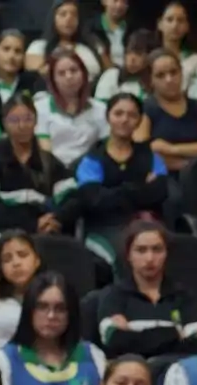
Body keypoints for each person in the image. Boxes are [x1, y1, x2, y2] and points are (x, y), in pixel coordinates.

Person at [59, 92, 167, 263]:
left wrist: (113, 193)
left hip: (146, 224)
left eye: (132, 115)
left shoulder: (151, 156)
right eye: (118, 114)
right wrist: (138, 189)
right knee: (127, 256)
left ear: (139, 120)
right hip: (103, 228)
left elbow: (160, 193)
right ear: (108, 117)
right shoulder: (92, 159)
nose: (125, 120)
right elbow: (94, 200)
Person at [0, 96, 68, 249]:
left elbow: (72, 198)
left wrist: (54, 219)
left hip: (43, 229)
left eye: (28, 119)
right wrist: (31, 223)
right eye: (14, 120)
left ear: (36, 121)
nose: (22, 126)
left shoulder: (49, 161)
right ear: (4, 123)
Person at [92, 221, 196, 359]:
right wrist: (174, 333)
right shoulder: (113, 296)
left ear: (166, 253)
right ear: (129, 255)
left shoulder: (184, 296)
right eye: (141, 250)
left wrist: (132, 333)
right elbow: (114, 341)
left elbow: (195, 343)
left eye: (157, 249)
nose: (149, 258)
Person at [33, 47, 105, 169]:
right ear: (53, 79)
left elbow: (104, 148)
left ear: (83, 73)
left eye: (74, 70)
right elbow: (45, 152)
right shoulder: (40, 108)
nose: (69, 77)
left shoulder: (101, 108)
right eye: (61, 73)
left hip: (89, 169)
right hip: (54, 171)